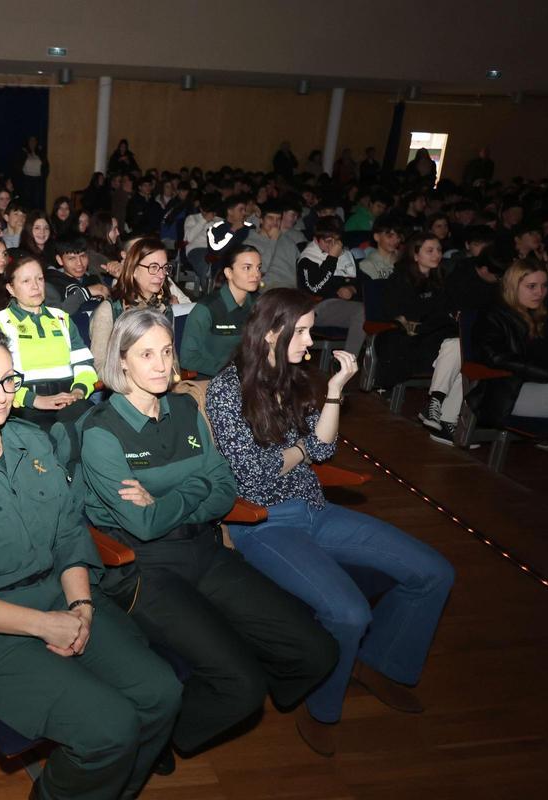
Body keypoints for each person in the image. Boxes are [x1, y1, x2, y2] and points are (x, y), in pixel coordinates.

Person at [0, 326, 181, 799]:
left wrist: (82, 607)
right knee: (109, 727)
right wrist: (47, 627)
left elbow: (70, 534)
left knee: (161, 695)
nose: (1, 394)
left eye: (9, 380)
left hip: (63, 595)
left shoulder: (33, 442)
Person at [206, 288, 455, 756]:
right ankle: (322, 705)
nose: (310, 340)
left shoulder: (294, 378)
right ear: (272, 332)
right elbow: (254, 479)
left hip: (314, 509)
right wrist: (298, 451)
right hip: (263, 523)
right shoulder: (227, 389)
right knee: (348, 612)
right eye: (301, 331)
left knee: (434, 571)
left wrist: (335, 391)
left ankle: (382, 663)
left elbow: (322, 449)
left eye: (309, 330)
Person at [81, 309, 336, 758]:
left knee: (316, 651)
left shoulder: (183, 406)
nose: (162, 365)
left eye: (166, 351)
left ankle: (212, 689)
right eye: (146, 354)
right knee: (242, 688)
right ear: (121, 361)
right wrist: (199, 483)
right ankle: (157, 741)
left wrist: (178, 491)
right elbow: (143, 524)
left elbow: (224, 487)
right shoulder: (102, 431)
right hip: (145, 568)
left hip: (204, 547)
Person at [467, 261, 548, 507]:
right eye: (531, 286)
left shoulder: (543, 314)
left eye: (543, 286)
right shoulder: (493, 314)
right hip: (510, 392)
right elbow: (496, 358)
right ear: (512, 286)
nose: (539, 292)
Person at [0, 253, 98, 457]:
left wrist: (79, 391)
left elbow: (84, 363)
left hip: (70, 399)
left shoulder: (62, 318)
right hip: (26, 407)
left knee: (97, 434)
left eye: (39, 279)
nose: (36, 286)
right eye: (26, 281)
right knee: (50, 447)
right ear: (11, 288)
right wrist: (34, 400)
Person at [375, 234, 463, 442]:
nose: (437, 255)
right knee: (455, 348)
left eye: (439, 250)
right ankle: (439, 411)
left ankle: (437, 408)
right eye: (430, 250)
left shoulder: (440, 279)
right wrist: (438, 317)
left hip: (435, 340)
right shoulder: (399, 279)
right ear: (415, 255)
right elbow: (405, 318)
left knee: (462, 350)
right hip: (409, 343)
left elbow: (448, 311)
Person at [89, 238, 173, 373]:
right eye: (153, 267)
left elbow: (171, 358)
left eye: (164, 268)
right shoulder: (111, 310)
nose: (161, 274)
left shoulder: (163, 308)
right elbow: (100, 366)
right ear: (133, 270)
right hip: (123, 386)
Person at [180, 244, 261, 378]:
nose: (256, 274)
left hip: (251, 380)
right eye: (247, 268)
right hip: (215, 382)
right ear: (229, 273)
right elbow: (188, 359)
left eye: (258, 267)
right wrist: (234, 371)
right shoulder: (206, 309)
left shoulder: (259, 304)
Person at [298, 216, 367, 358]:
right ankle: (346, 363)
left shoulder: (346, 254)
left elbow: (360, 282)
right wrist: (332, 258)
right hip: (318, 306)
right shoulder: (308, 259)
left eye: (336, 240)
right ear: (317, 240)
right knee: (362, 312)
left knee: (373, 310)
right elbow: (315, 288)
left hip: (347, 305)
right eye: (328, 241)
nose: (333, 245)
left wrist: (351, 289)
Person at [45, 237, 110, 316]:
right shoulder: (52, 283)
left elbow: (113, 304)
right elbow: (57, 316)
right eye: (72, 258)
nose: (79, 263)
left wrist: (120, 277)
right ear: (60, 260)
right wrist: (86, 293)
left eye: (83, 256)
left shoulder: (93, 278)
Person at [245, 200, 299, 290]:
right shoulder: (250, 243)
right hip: (268, 292)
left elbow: (298, 265)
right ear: (261, 220)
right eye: (270, 218)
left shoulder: (287, 241)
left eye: (278, 219)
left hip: (291, 291)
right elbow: (261, 270)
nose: (275, 223)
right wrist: (273, 240)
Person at [358, 215, 404, 280]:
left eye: (398, 236)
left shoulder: (403, 261)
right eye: (390, 236)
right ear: (377, 237)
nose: (395, 240)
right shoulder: (367, 264)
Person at [17, 135, 50, 211]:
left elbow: (46, 167)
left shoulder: (40, 153)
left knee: (37, 202)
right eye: (31, 141)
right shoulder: (23, 152)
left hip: (38, 180)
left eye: (34, 141)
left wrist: (43, 178)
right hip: (26, 180)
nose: (33, 143)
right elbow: (17, 167)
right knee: (26, 202)